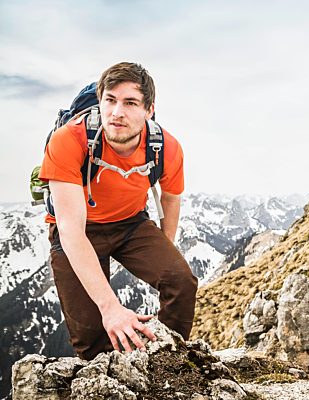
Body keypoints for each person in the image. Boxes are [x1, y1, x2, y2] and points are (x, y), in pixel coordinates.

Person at [39, 62, 198, 360]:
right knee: (90, 336)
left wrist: (166, 250)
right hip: (79, 229)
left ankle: (170, 362)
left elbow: (171, 198)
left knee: (180, 281)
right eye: (110, 100)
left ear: (149, 110)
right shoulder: (69, 140)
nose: (117, 112)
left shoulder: (166, 148)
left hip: (131, 224)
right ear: (100, 102)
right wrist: (110, 307)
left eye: (130, 103)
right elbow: (71, 231)